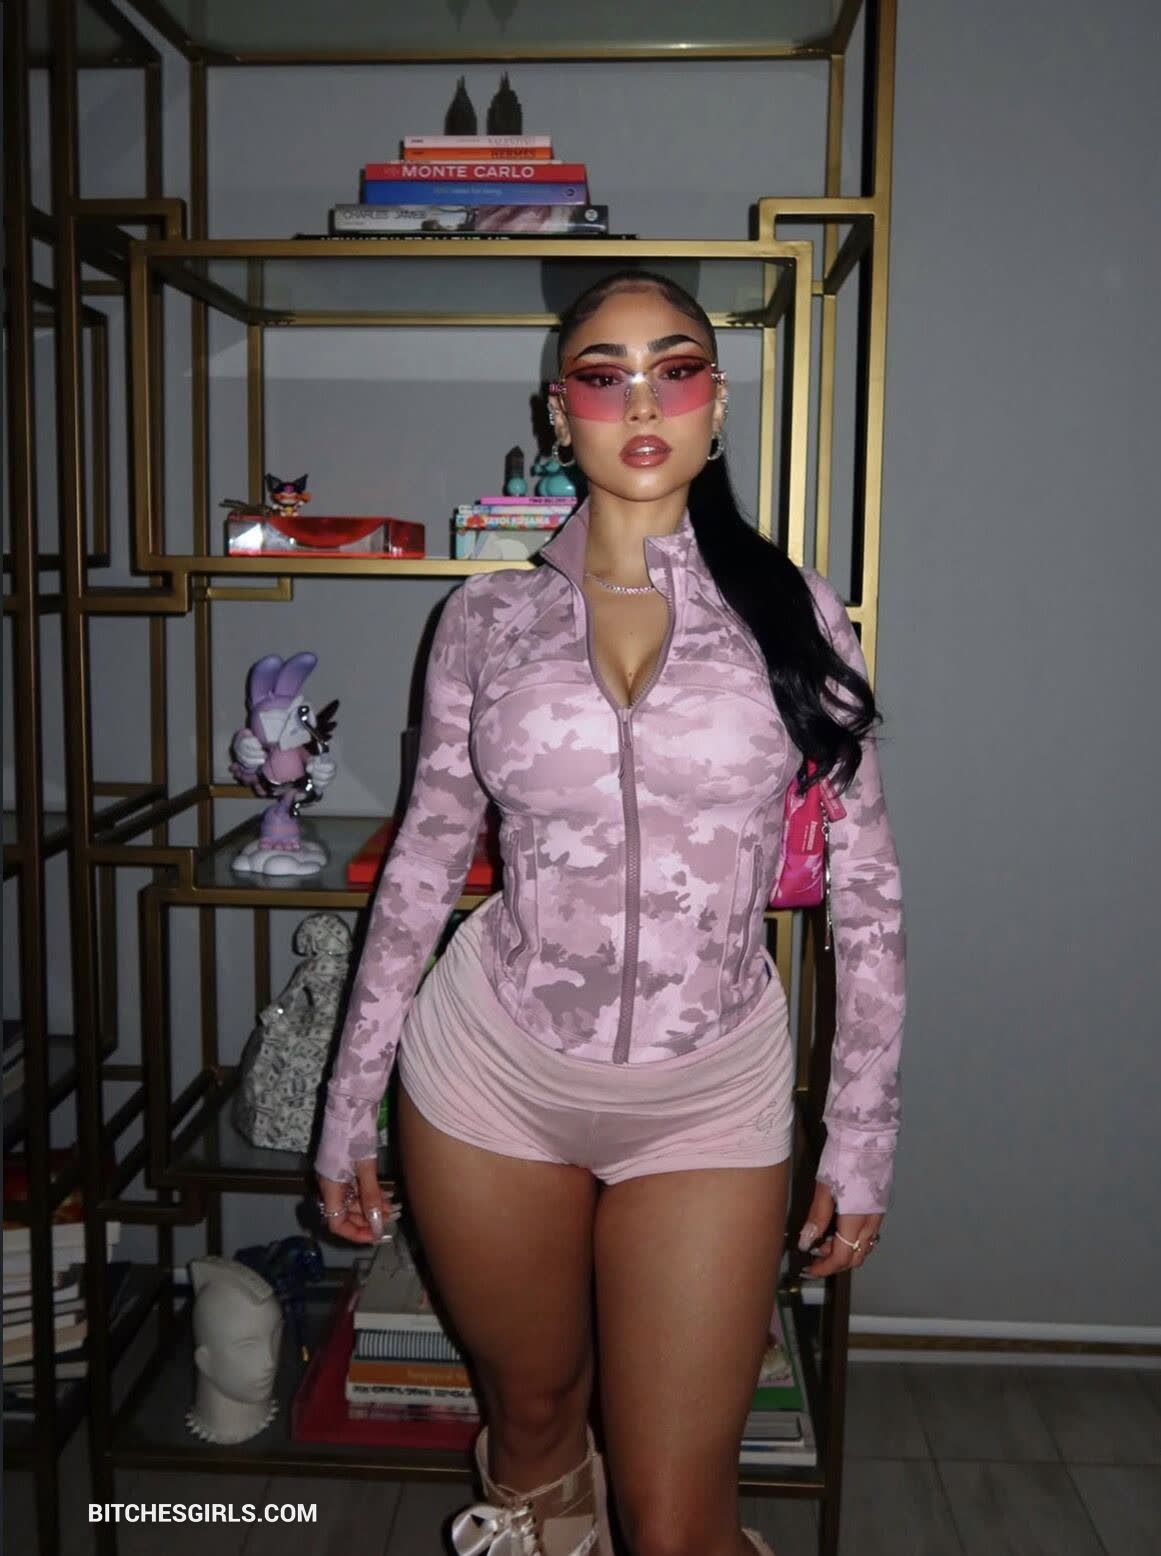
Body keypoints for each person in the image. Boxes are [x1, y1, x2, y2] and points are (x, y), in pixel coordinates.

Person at [314, 269, 906, 1556]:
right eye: (604, 374)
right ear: (558, 409)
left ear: (716, 401)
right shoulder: (485, 616)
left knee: (678, 1518)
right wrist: (347, 1101)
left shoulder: (795, 611)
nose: (642, 401)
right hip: (492, 1074)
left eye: (674, 368)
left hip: (709, 1091)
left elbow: (864, 885)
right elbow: (425, 859)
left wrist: (861, 1131)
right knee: (533, 1422)